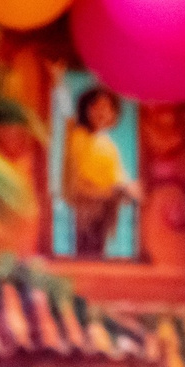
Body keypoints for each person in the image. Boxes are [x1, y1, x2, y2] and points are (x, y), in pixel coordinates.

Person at [62, 83, 140, 260]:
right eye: (96, 107)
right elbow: (66, 114)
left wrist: (128, 188)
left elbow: (117, 174)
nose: (101, 113)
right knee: (86, 249)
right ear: (86, 109)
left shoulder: (108, 145)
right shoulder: (79, 136)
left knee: (98, 248)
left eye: (106, 108)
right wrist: (60, 84)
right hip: (86, 204)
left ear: (113, 114)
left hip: (104, 205)